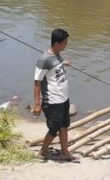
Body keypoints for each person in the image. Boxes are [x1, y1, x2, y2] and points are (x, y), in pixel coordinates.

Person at [33, 28, 75, 161]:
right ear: (57, 44)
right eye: (65, 43)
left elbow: (55, 67)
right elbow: (37, 83)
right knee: (54, 129)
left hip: (64, 98)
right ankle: (43, 151)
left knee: (64, 125)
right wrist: (37, 104)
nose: (66, 45)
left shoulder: (57, 55)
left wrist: (63, 63)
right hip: (52, 101)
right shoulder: (43, 59)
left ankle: (65, 152)